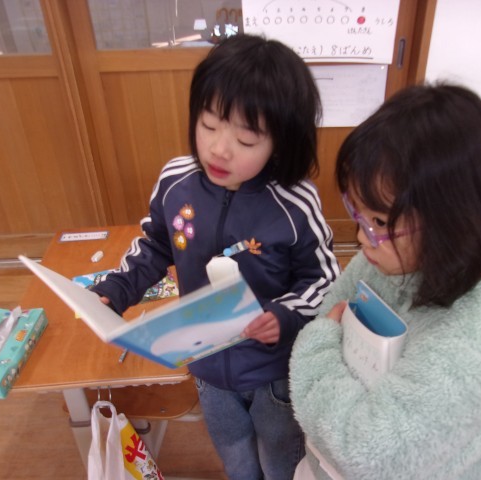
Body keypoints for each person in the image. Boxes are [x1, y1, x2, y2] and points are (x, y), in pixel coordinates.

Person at [91, 34, 340, 480]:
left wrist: (284, 315)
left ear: (280, 144)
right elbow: (155, 244)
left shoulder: (294, 202)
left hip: (273, 371)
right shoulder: (176, 181)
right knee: (236, 459)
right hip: (206, 366)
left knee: (279, 460)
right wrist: (118, 288)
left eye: (246, 139)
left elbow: (324, 280)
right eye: (208, 125)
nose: (219, 149)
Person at [289, 84, 481, 480]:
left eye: (379, 221)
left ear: (451, 220)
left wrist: (316, 350)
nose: (362, 237)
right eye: (358, 213)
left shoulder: (479, 344)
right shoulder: (394, 253)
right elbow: (331, 306)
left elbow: (366, 451)